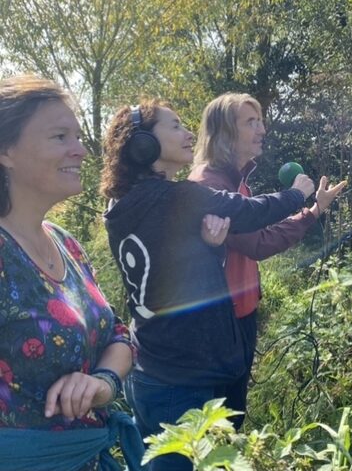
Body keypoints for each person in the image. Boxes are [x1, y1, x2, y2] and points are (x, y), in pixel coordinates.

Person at [100, 99, 315, 471]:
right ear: (143, 145)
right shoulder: (179, 196)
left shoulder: (121, 206)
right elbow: (250, 212)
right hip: (182, 378)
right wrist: (297, 194)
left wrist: (207, 245)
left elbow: (168, 263)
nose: (188, 134)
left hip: (148, 365)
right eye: (175, 126)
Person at [0, 76, 143, 471]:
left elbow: (117, 332)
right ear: (6, 151)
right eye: (61, 136)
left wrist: (102, 383)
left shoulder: (67, 243)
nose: (80, 150)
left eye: (78, 137)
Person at [189, 93, 346, 428]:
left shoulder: (236, 181)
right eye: (251, 122)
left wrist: (314, 208)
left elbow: (259, 233)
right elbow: (259, 243)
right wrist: (307, 206)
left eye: (260, 120)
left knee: (232, 415)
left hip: (240, 314)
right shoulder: (209, 185)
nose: (262, 129)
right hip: (219, 323)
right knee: (219, 424)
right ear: (224, 132)